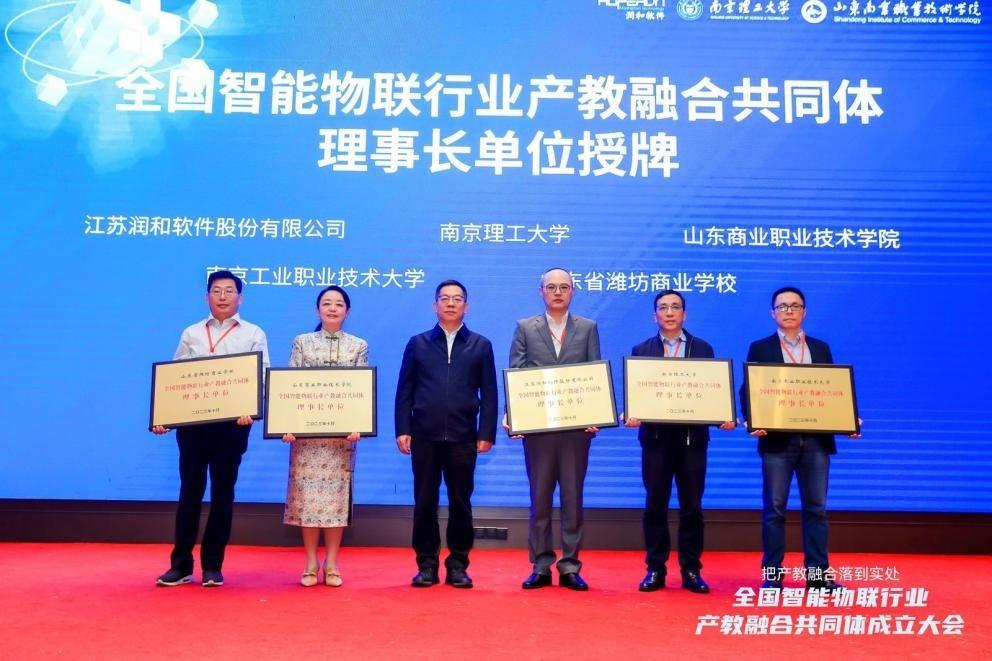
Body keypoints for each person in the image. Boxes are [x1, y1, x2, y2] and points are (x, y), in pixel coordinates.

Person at [152, 270, 269, 587]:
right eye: (216, 290)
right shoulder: (191, 332)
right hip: (193, 426)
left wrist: (251, 410)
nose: (222, 296)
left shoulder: (253, 333)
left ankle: (213, 566)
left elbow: (261, 375)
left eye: (229, 291)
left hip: (232, 426)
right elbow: (175, 377)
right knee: (189, 493)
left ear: (240, 298)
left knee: (222, 494)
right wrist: (164, 416)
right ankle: (180, 565)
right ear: (207, 297)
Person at [740, 286, 859, 591]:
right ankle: (773, 575)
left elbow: (833, 391)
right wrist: (752, 420)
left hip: (816, 442)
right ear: (773, 313)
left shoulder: (820, 348)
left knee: (817, 508)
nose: (789, 311)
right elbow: (749, 389)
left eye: (795, 306)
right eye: (782, 306)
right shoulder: (760, 348)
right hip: (777, 441)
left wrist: (848, 419)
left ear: (804, 312)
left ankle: (817, 575)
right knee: (774, 509)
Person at [625, 291, 736, 594]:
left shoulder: (702, 348)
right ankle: (655, 569)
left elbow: (710, 392)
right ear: (655, 316)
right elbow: (638, 394)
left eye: (675, 307)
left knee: (692, 507)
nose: (670, 312)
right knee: (654, 505)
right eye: (663, 308)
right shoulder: (642, 350)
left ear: (684, 314)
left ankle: (691, 570)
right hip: (655, 440)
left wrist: (722, 417)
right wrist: (632, 413)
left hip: (692, 440)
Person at [394, 280, 498, 588]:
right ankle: (426, 565)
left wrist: (486, 432)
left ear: (467, 306)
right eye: (444, 298)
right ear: (435, 305)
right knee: (424, 502)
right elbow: (405, 390)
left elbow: (490, 394)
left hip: (463, 437)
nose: (451, 303)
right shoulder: (418, 343)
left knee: (460, 503)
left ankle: (458, 566)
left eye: (457, 299)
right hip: (424, 436)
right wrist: (403, 428)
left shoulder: (481, 345)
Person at [508, 268, 601, 591]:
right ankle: (541, 565)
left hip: (576, 430)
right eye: (551, 287)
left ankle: (571, 566)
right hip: (539, 430)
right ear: (541, 292)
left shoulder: (588, 328)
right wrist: (514, 415)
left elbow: (594, 373)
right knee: (540, 500)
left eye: (564, 287)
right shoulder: (525, 327)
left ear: (572, 291)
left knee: (573, 499)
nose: (557, 292)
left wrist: (596, 413)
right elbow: (516, 373)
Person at [281, 286, 368, 587]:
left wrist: (359, 424)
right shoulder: (302, 342)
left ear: (347, 311)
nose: (332, 308)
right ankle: (310, 563)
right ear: (317, 309)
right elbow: (290, 386)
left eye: (339, 304)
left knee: (335, 502)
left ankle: (331, 563)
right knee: (307, 500)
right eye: (327, 303)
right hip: (306, 440)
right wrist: (287, 425)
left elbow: (360, 391)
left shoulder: (358, 345)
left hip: (340, 440)